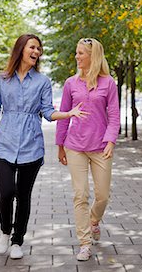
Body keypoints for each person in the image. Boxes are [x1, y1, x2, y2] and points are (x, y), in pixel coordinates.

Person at [0, 34, 88, 260]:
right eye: (32, 47)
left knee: (23, 195)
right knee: (6, 193)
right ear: (21, 49)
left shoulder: (43, 82)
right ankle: (5, 231)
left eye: (39, 49)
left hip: (32, 146)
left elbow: (47, 112)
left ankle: (18, 240)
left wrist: (68, 113)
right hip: (5, 144)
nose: (37, 52)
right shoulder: (2, 79)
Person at [56, 38, 120, 261]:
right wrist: (60, 145)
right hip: (75, 146)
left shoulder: (108, 83)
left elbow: (114, 115)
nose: (77, 56)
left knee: (102, 195)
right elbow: (63, 116)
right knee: (80, 195)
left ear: (93, 56)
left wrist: (111, 140)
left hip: (101, 146)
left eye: (81, 53)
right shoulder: (70, 83)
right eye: (76, 52)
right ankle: (84, 242)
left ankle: (94, 220)